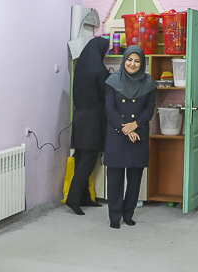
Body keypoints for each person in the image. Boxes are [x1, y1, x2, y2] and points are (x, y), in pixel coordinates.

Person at [103, 46, 155, 229]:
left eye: (137, 61)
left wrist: (136, 125)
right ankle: (115, 216)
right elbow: (110, 109)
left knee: (134, 180)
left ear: (142, 63)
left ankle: (128, 214)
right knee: (115, 180)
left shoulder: (148, 82)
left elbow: (150, 108)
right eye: (129, 60)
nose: (132, 64)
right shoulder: (112, 81)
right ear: (124, 60)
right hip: (117, 135)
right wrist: (126, 129)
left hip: (138, 134)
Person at [66, 36, 110, 215]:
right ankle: (73, 199)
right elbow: (106, 93)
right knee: (88, 160)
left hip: (79, 117)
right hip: (92, 119)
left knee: (80, 158)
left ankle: (84, 197)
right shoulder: (99, 70)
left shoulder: (80, 67)